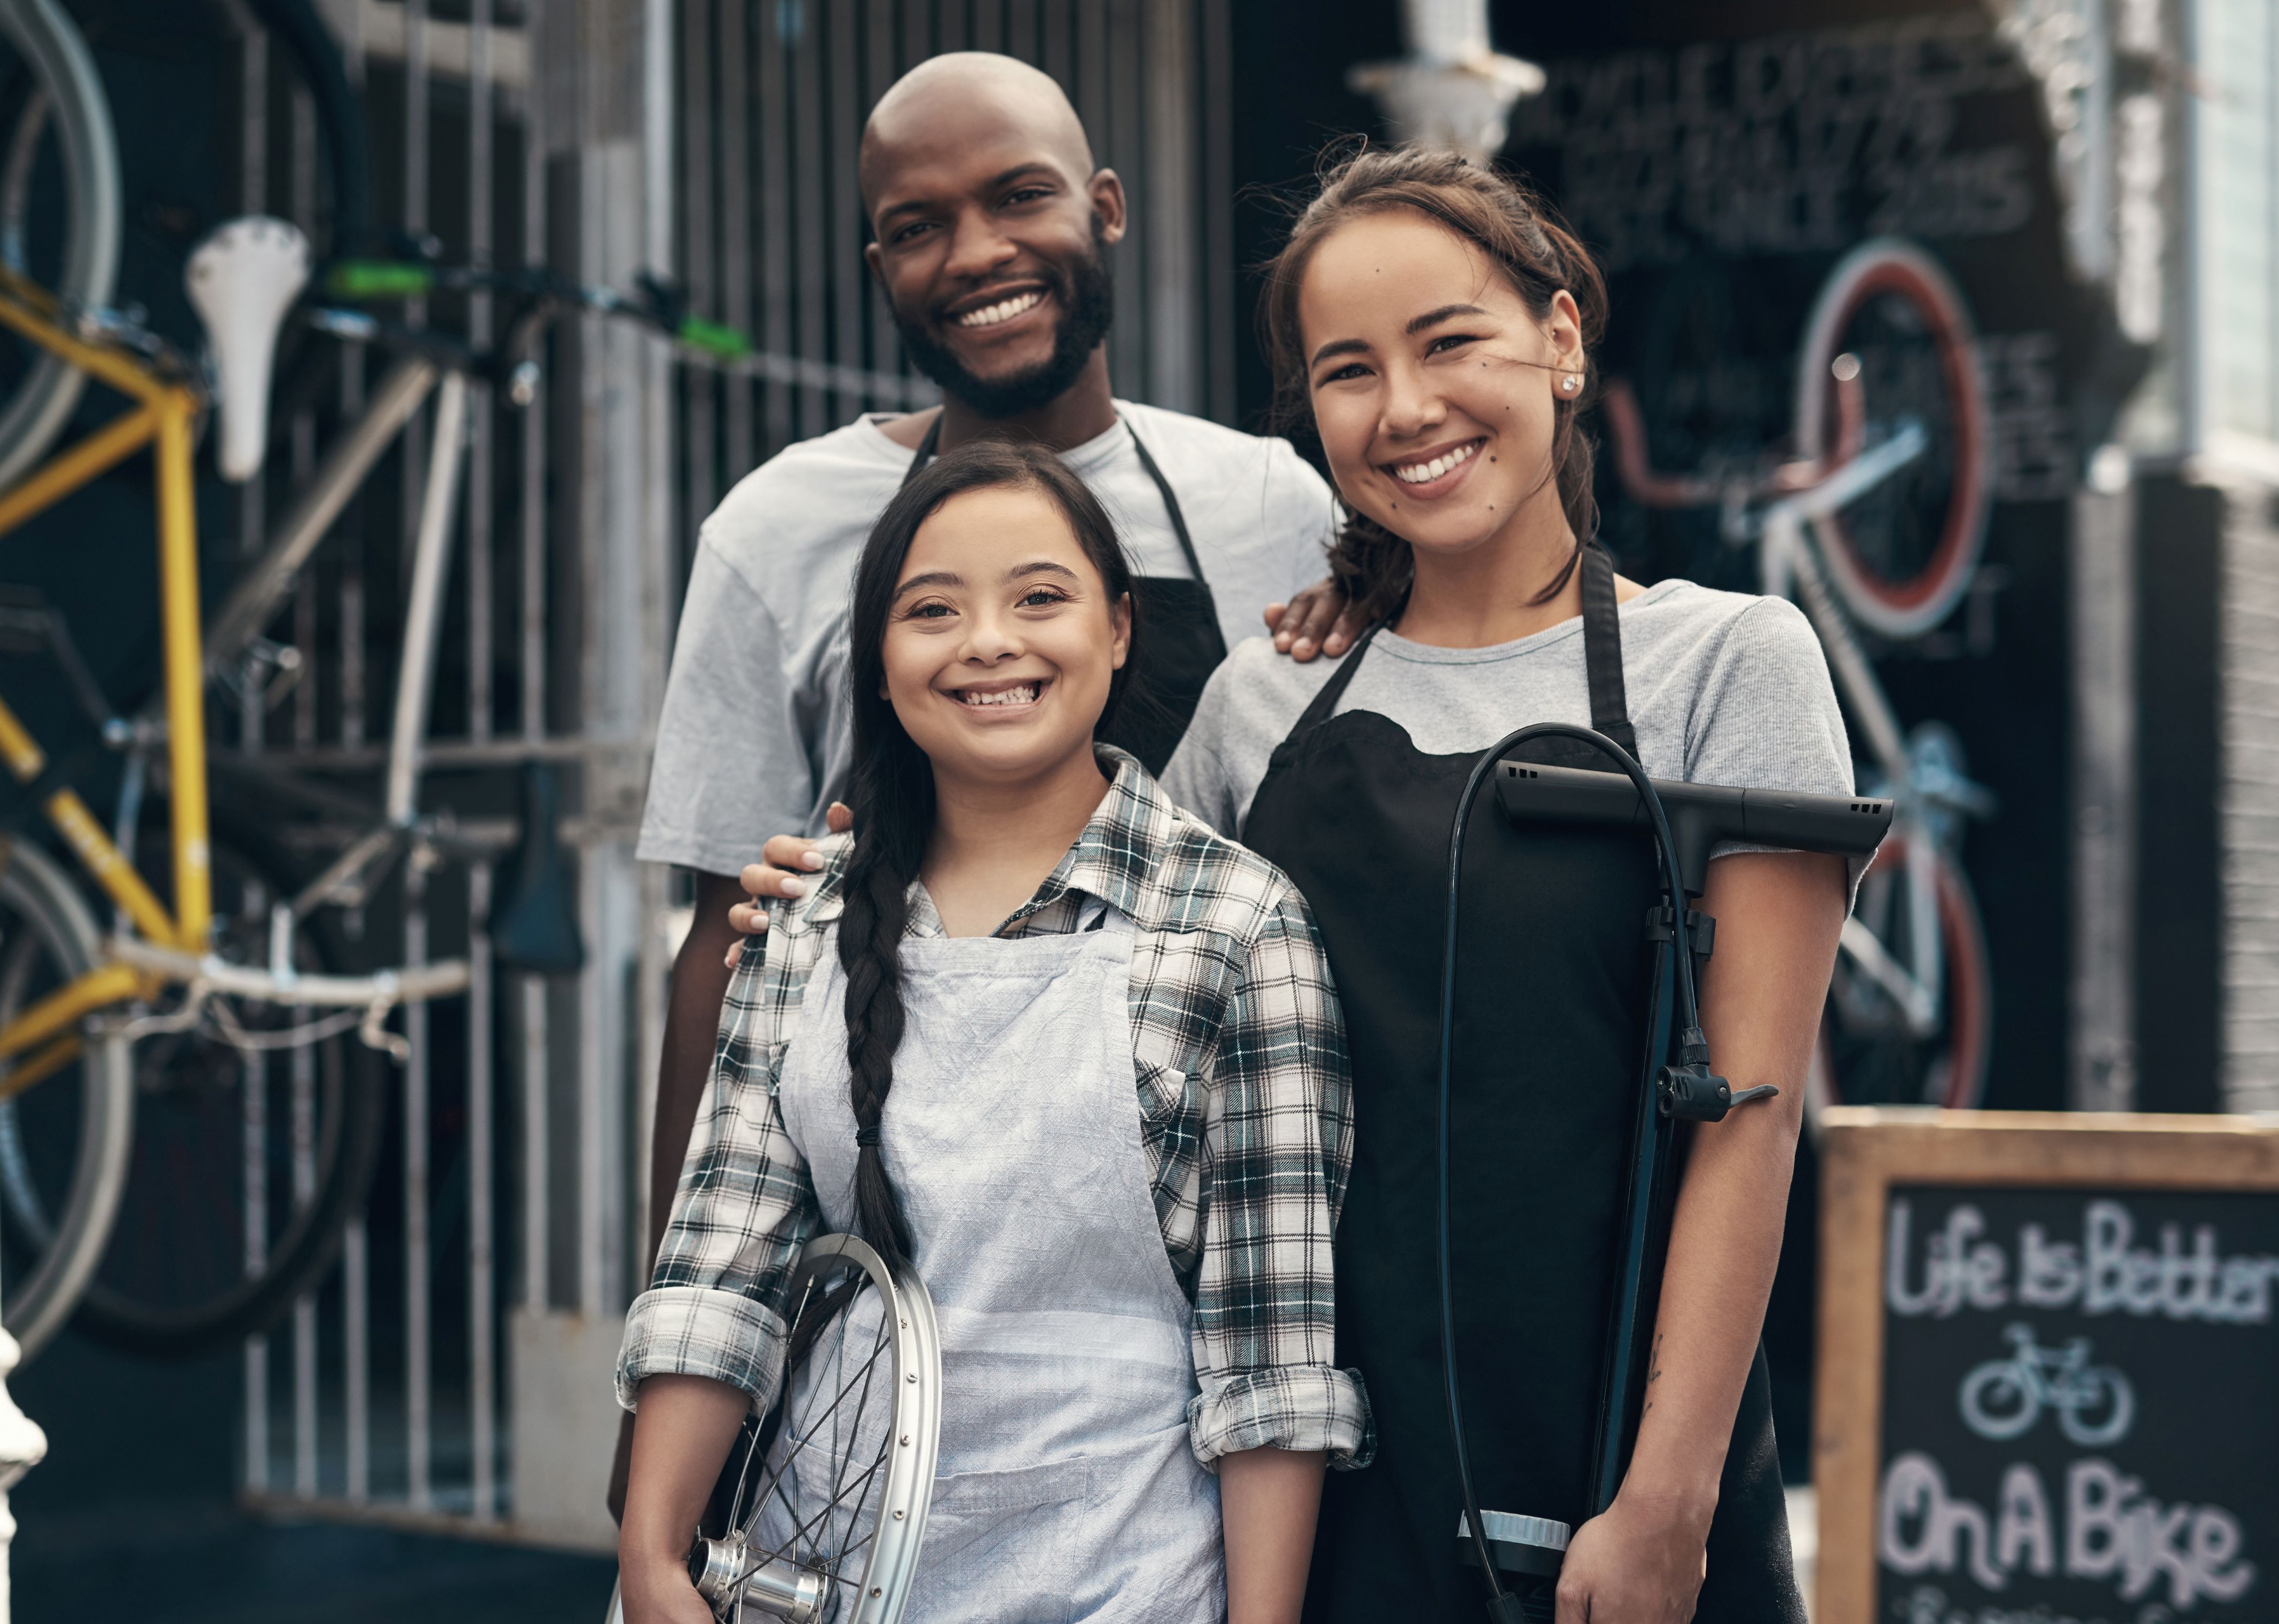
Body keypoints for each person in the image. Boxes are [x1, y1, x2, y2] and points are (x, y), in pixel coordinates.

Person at [739, 146, 1853, 1622]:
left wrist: (1666, 1498)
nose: (1403, 409)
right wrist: (840, 891)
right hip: (1285, 1489)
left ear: (1562, 340)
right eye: (1347, 371)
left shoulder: (1728, 665)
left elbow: (1752, 1126)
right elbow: (1055, 959)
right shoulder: (1261, 703)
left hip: (1596, 1485)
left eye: (1448, 341)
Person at [619, 56, 1366, 1515]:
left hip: (1204, 1258)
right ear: (878, 262)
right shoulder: (776, 531)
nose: (974, 253)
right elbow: (721, 961)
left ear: (1104, 207)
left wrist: (1368, 590)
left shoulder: (1270, 505)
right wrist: (674, 1415)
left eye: (1017, 196)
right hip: (891, 1290)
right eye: (916, 223)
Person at [615, 441, 1366, 1624]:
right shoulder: (804, 925)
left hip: (1125, 1579)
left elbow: (1270, 1357)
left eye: (1040, 598)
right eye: (932, 610)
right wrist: (653, 1557)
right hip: (820, 1575)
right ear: (878, 658)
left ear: (1119, 630)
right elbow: (720, 1271)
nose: (988, 643)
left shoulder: (1241, 927)